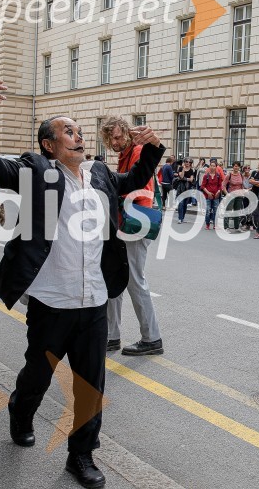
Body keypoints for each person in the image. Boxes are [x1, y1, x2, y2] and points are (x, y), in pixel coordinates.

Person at [0, 81, 164, 488]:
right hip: (52, 302)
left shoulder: (101, 172)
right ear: (49, 145)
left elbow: (137, 177)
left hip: (94, 302)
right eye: (68, 131)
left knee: (91, 384)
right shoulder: (37, 171)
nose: (79, 136)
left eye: (80, 131)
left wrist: (154, 146)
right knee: (39, 372)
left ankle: (82, 454)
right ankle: (21, 409)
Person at [102, 116, 164, 357]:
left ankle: (151, 338)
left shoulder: (137, 151)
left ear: (127, 133)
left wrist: (115, 199)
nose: (114, 142)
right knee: (115, 277)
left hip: (134, 225)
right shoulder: (125, 155)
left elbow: (143, 191)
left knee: (134, 280)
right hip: (127, 225)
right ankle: (111, 335)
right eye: (110, 138)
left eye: (118, 136)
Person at [222, 161, 246, 232]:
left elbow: (242, 185)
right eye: (235, 166)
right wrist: (227, 194)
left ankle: (237, 227)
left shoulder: (241, 175)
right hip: (231, 195)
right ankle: (226, 227)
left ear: (239, 167)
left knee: (237, 212)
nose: (236, 167)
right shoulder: (229, 175)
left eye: (238, 166)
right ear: (233, 167)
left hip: (239, 196)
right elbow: (223, 185)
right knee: (228, 211)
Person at [200, 158, 223, 230]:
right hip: (207, 196)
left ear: (216, 167)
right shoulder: (206, 176)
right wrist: (208, 193)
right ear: (209, 166)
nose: (212, 167)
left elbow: (220, 185)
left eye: (214, 166)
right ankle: (207, 224)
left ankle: (215, 224)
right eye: (211, 166)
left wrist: (218, 192)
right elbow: (202, 186)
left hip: (216, 196)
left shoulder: (218, 175)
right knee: (208, 210)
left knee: (216, 210)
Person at [175, 158, 195, 224]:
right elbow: (181, 176)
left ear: (190, 163)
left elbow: (191, 179)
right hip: (180, 188)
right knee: (181, 203)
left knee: (185, 204)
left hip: (188, 188)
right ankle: (180, 218)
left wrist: (185, 179)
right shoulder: (181, 168)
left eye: (189, 162)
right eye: (186, 162)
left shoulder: (191, 170)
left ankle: (182, 218)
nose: (187, 163)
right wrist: (183, 169)